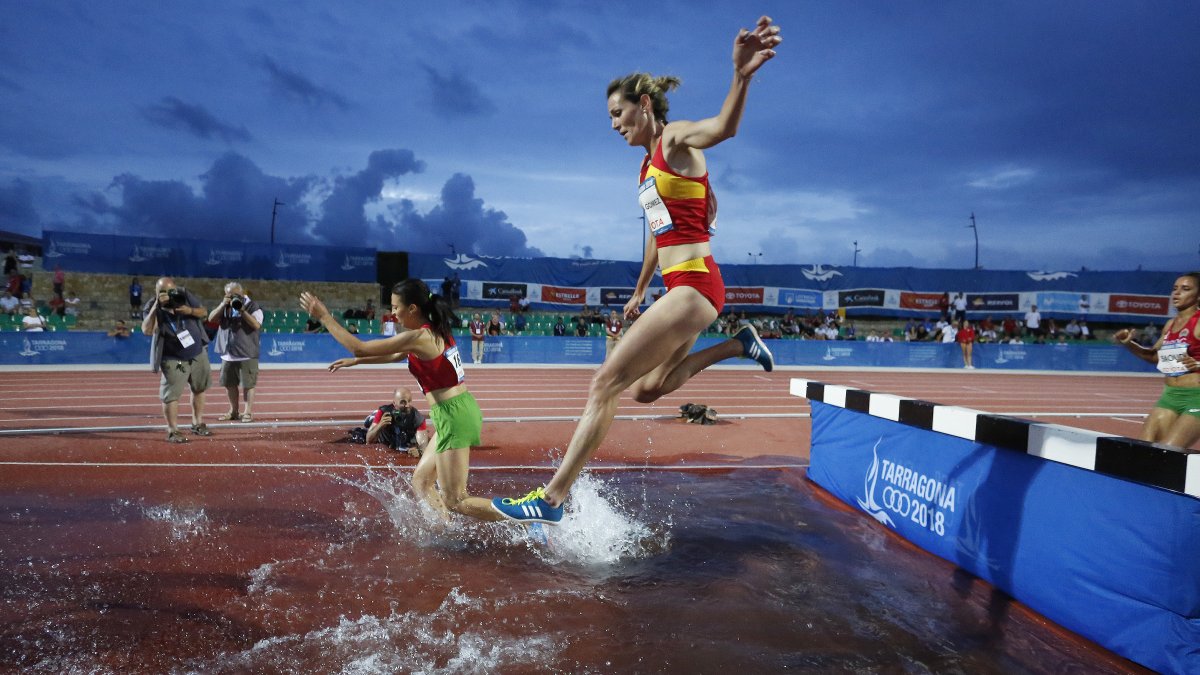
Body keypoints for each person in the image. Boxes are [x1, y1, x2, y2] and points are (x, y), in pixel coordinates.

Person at [492, 16, 782, 523]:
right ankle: (740, 342)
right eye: (609, 117)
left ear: (644, 105)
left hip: (695, 284)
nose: (612, 124)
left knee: (605, 383)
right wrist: (641, 289)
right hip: (680, 286)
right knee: (647, 390)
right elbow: (655, 235)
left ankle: (551, 500)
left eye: (617, 112)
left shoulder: (674, 141)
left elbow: (723, 128)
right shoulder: (647, 168)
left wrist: (741, 75)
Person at [302, 279, 503, 522]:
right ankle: (447, 530)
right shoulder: (432, 330)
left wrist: (324, 317)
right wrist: (357, 362)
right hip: (453, 411)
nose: (392, 313)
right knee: (421, 482)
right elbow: (395, 354)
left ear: (412, 309)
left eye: (396, 307)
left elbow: (359, 347)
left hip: (454, 415)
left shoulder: (421, 337)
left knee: (456, 499)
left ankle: (526, 518)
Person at [1113, 272, 1200, 449]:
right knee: (1144, 450)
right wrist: (1129, 343)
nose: (1176, 293)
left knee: (1168, 452)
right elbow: (1153, 356)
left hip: (1197, 397)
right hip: (1170, 396)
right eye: (1175, 289)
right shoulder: (1170, 325)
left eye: (1185, 289)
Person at [141, 277, 212, 443]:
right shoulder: (152, 306)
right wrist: (156, 307)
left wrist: (189, 311)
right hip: (173, 358)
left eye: (170, 290)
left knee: (199, 389)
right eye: (162, 292)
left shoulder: (184, 295)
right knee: (171, 395)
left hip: (197, 353)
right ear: (156, 293)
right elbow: (147, 330)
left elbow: (204, 312)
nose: (168, 295)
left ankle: (197, 423)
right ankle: (173, 430)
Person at [208, 281, 262, 423]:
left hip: (247, 352)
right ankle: (233, 411)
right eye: (229, 295)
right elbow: (211, 319)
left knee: (248, 385)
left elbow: (256, 324)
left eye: (236, 295)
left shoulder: (253, 306)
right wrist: (222, 305)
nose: (233, 298)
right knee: (229, 384)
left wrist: (242, 310)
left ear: (242, 293)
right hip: (228, 353)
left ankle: (248, 413)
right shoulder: (225, 307)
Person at [365, 386, 431, 457]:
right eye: (403, 402)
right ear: (394, 403)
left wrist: (419, 452)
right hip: (385, 439)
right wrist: (380, 425)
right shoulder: (383, 412)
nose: (407, 405)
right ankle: (372, 418)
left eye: (409, 401)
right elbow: (369, 440)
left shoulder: (418, 419)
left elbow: (423, 446)